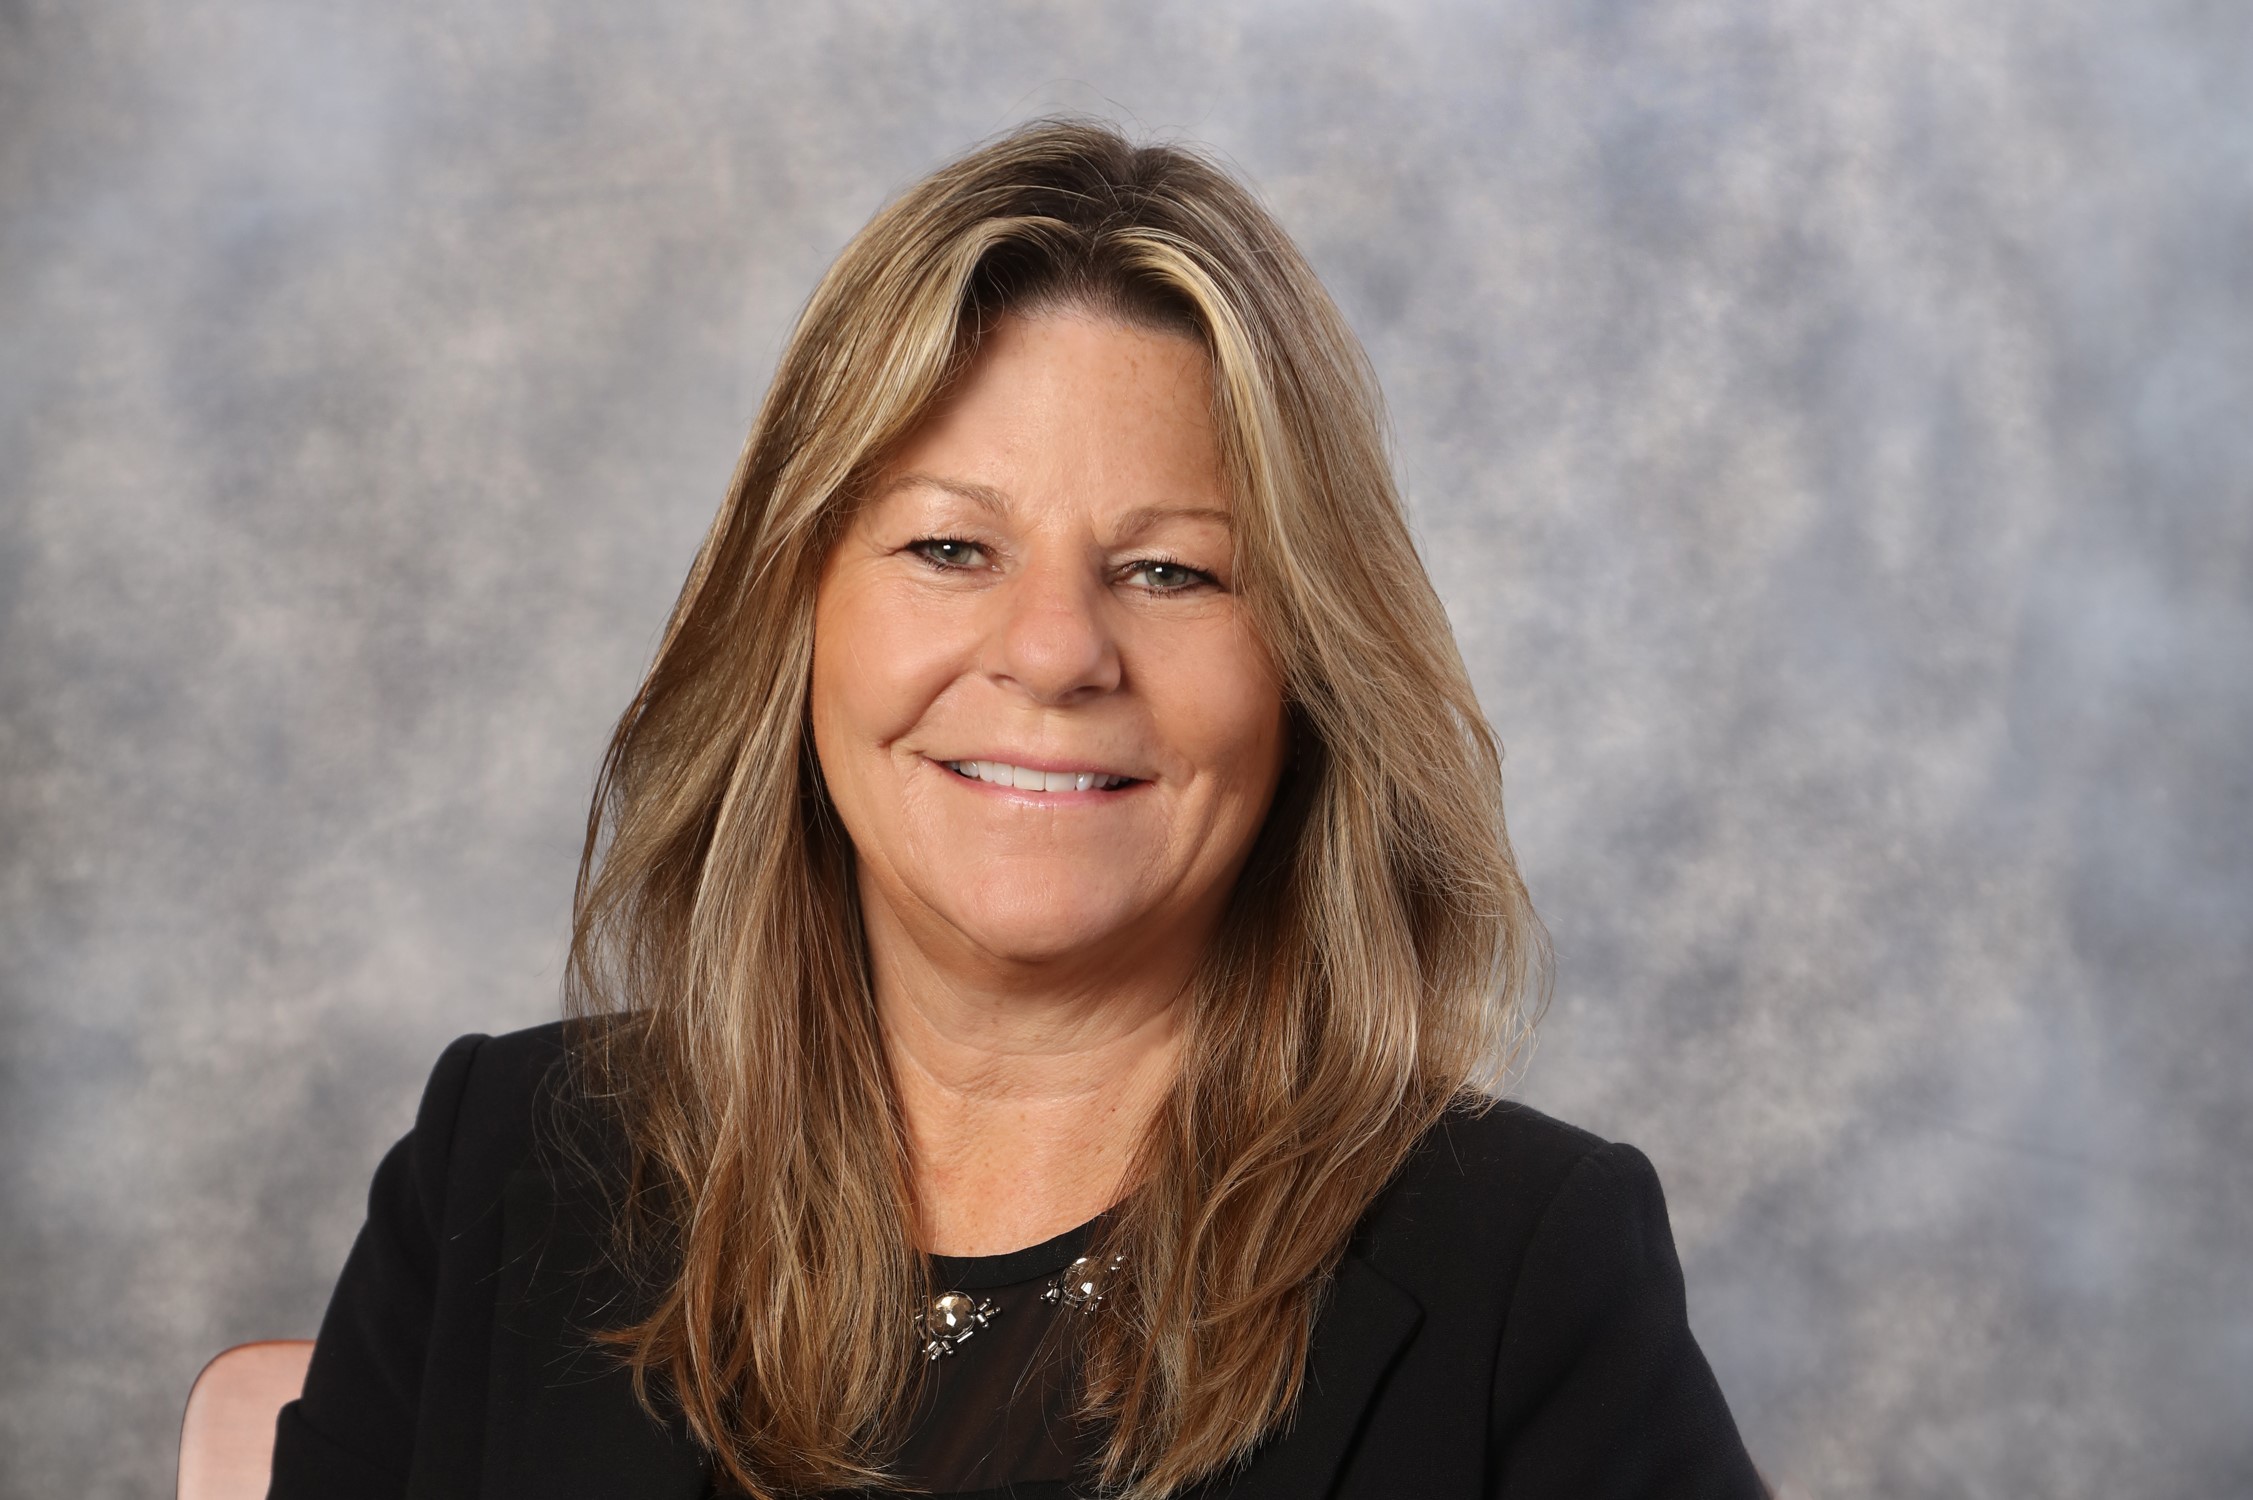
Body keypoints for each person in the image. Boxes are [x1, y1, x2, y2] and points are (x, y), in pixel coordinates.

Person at [269, 119, 1765, 1500]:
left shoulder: (1525, 1268)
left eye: (1171, 570)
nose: (1054, 652)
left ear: (1308, 670)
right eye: (947, 548)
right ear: (791, 614)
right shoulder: (504, 1165)